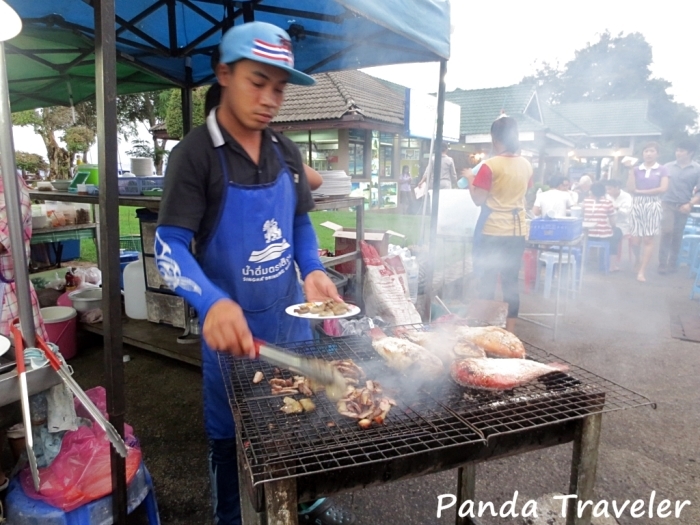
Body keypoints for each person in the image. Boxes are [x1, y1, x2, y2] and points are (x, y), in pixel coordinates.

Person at [156, 22, 353, 525]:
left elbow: (300, 222)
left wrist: (311, 268)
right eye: (257, 81)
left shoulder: (285, 152)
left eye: (279, 88)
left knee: (300, 423)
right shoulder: (194, 155)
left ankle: (306, 505)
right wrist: (211, 301)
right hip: (231, 335)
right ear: (224, 73)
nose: (269, 98)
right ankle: (230, 515)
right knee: (229, 439)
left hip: (290, 324)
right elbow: (169, 246)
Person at [0, 171, 49, 493]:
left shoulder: (5, 177)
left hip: (7, 306)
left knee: (23, 404)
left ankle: (34, 481)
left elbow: (7, 239)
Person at [466, 116, 532, 333]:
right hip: (517, 231)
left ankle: (486, 331)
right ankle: (509, 333)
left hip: (492, 232)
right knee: (511, 283)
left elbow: (478, 200)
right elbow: (524, 191)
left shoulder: (489, 166)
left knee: (487, 281)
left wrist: (468, 179)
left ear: (495, 139)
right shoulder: (526, 164)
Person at [627, 142, 669, 282]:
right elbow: (631, 189)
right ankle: (637, 259)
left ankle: (642, 271)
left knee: (648, 239)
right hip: (637, 203)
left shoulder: (662, 169)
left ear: (657, 153)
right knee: (635, 239)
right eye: (646, 151)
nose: (649, 154)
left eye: (652, 151)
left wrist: (642, 191)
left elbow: (663, 188)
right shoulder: (637, 169)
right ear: (642, 153)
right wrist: (630, 172)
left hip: (653, 203)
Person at [658, 139, 700, 274]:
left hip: (684, 205)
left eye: (681, 151)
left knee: (677, 235)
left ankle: (672, 263)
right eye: (677, 150)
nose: (678, 153)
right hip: (667, 203)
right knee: (667, 231)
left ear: (690, 153)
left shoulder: (697, 169)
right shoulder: (667, 166)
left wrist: (690, 204)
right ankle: (662, 263)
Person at [582, 183, 621, 270]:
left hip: (588, 234)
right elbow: (612, 221)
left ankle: (590, 261)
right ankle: (612, 266)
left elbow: (582, 215)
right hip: (603, 235)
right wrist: (613, 228)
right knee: (615, 238)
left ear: (591, 191)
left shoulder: (586, 201)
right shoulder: (608, 203)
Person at [605, 179, 633, 271]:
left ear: (617, 188)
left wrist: (617, 208)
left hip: (621, 225)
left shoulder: (627, 197)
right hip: (607, 223)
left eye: (610, 189)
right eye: (607, 189)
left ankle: (612, 265)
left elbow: (626, 213)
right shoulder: (607, 196)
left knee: (613, 236)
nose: (608, 192)